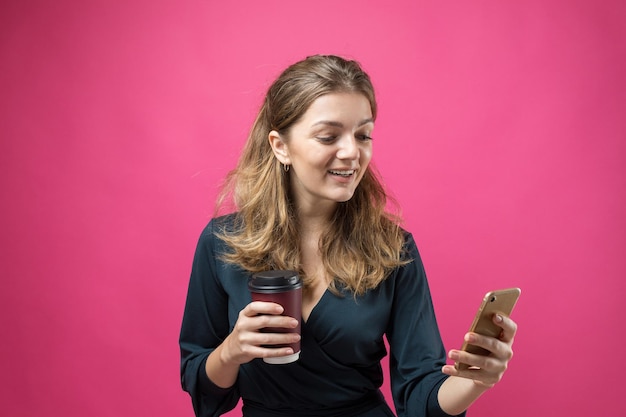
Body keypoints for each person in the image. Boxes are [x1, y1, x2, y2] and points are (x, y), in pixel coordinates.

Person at [179, 55, 517, 417]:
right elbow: (200, 382)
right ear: (280, 146)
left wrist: (475, 381)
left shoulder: (393, 249)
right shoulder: (222, 242)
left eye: (363, 135)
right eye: (328, 136)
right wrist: (231, 351)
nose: (352, 152)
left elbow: (420, 396)